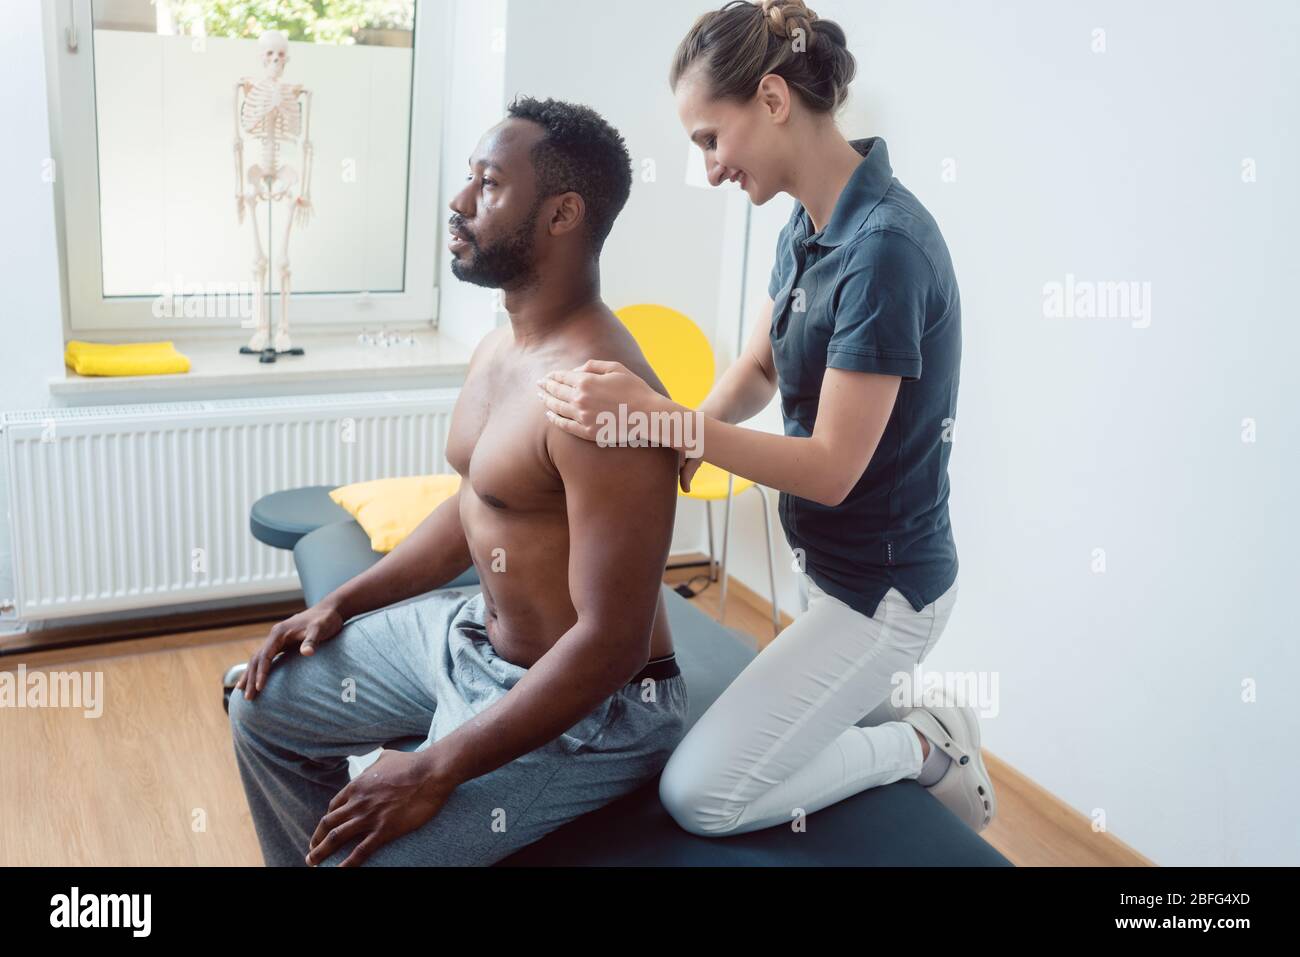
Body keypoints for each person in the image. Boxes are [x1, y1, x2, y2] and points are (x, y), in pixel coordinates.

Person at [538, 0, 995, 836]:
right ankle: (904, 736)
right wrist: (684, 437)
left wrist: (666, 422)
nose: (709, 168)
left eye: (711, 138)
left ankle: (923, 747)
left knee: (701, 797)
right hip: (832, 571)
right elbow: (759, 365)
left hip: (886, 593)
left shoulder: (885, 249)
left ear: (775, 100)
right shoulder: (808, 225)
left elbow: (830, 466)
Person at [228, 96, 688, 866]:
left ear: (561, 214)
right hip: (473, 636)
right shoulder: (500, 345)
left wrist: (434, 767)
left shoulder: (603, 395)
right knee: (262, 707)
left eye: (488, 183)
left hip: (597, 710)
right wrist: (344, 600)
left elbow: (612, 646)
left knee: (374, 857)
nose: (458, 201)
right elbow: (478, 506)